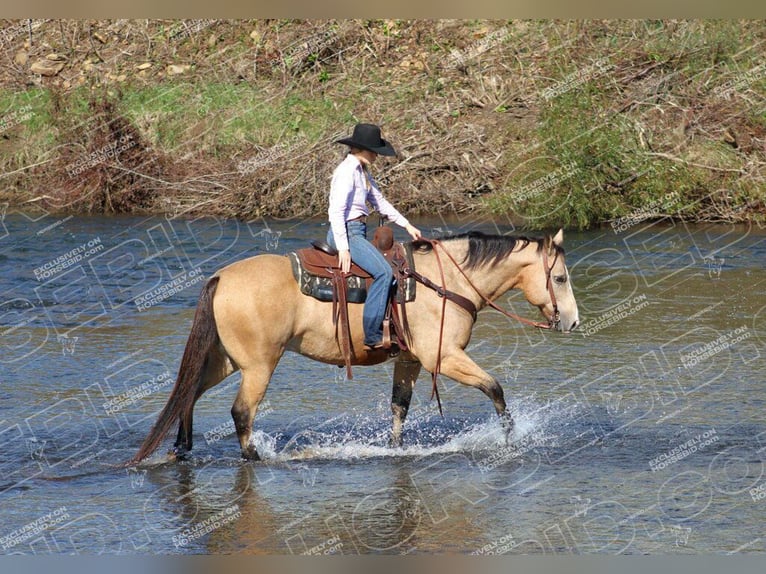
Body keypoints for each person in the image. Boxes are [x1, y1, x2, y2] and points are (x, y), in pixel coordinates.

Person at [327, 123, 422, 350]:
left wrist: (407, 225)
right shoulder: (346, 172)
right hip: (347, 232)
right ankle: (372, 335)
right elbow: (336, 211)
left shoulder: (362, 173)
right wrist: (343, 247)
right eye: (374, 151)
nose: (377, 156)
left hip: (356, 231)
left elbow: (380, 202)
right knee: (384, 273)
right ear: (362, 149)